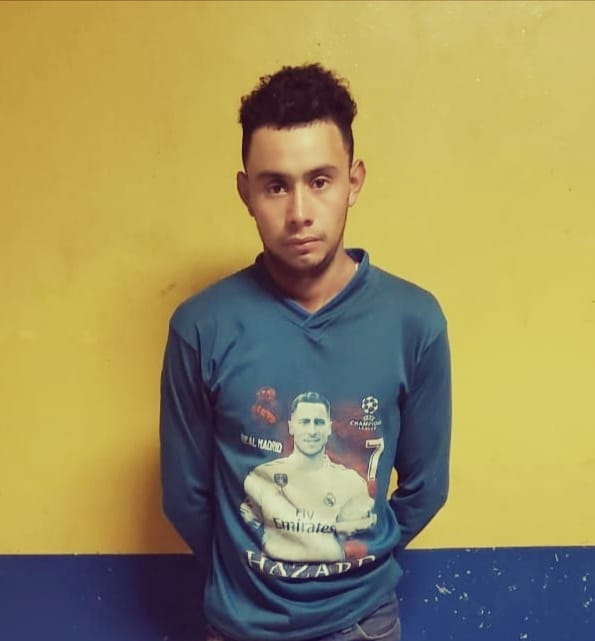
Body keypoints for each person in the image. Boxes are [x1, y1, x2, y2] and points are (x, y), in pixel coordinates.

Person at [160, 63, 451, 641]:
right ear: (246, 193)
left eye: (320, 181)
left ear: (354, 182)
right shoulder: (201, 327)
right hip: (240, 626)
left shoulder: (413, 322)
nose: (299, 212)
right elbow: (186, 497)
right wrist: (249, 580)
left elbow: (425, 487)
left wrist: (356, 562)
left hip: (363, 623)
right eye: (276, 185)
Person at [240, 391, 377, 562]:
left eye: (318, 422)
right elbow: (243, 528)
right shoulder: (260, 477)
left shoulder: (351, 483)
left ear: (329, 427)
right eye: (304, 422)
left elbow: (361, 538)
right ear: (291, 427)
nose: (312, 431)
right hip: (268, 575)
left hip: (341, 574)